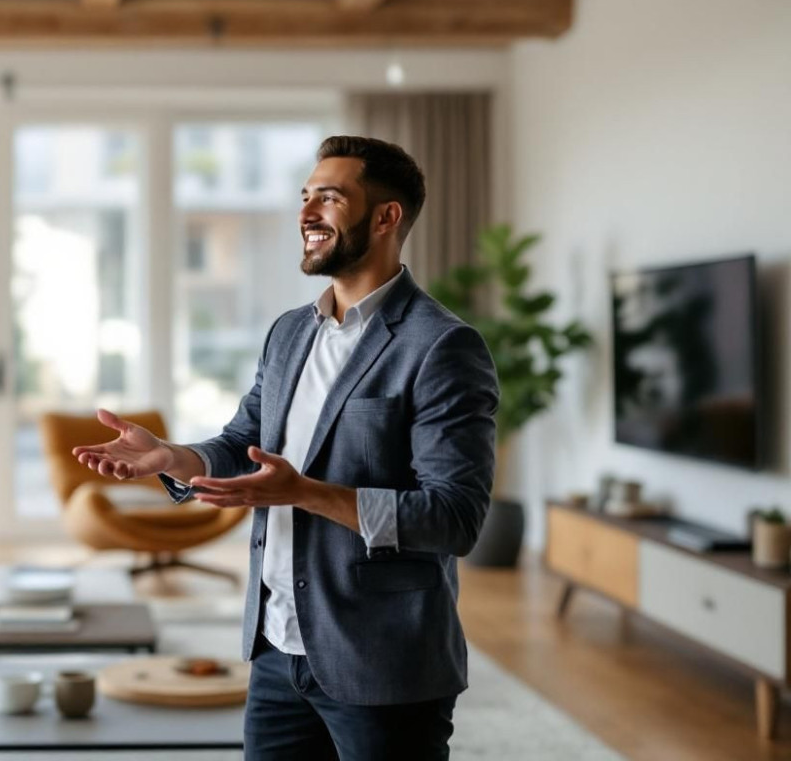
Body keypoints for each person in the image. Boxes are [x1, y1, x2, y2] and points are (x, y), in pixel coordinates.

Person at [73, 136, 499, 760]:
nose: (306, 213)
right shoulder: (290, 332)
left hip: (381, 659)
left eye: (330, 198)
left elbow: (455, 518)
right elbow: (244, 442)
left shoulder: (441, 346)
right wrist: (173, 458)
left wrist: (303, 493)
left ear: (387, 217)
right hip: (276, 649)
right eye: (305, 196)